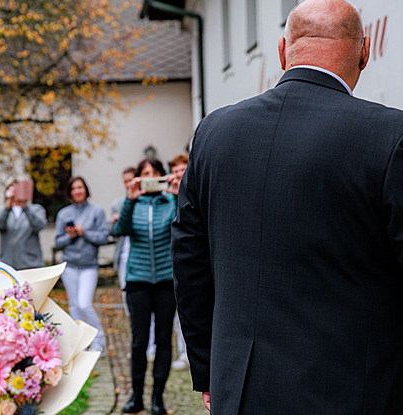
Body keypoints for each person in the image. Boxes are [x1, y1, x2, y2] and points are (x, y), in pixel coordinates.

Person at [172, 0, 403, 413]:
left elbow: (190, 263)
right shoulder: (389, 135)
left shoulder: (214, 132)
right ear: (364, 52)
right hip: (356, 388)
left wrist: (209, 370)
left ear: (282, 51)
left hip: (240, 390)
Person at [112, 158, 179, 415]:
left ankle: (157, 398)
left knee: (163, 340)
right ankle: (136, 396)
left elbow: (181, 228)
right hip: (138, 281)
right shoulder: (133, 203)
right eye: (145, 173)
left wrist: (175, 196)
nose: (150, 177)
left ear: (163, 176)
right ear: (138, 178)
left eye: (155, 173)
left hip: (165, 281)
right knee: (139, 341)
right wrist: (130, 198)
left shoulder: (170, 202)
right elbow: (120, 229)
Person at [55, 176, 110, 352]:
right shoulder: (63, 214)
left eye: (80, 187)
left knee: (84, 304)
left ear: (86, 190)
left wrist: (84, 233)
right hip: (69, 266)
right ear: (70, 192)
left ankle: (98, 340)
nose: (78, 191)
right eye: (74, 188)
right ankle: (79, 342)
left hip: (89, 266)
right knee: (74, 306)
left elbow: (103, 237)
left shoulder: (97, 212)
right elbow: (57, 242)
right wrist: (70, 236)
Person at [166, 154, 189, 371]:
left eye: (183, 170)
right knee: (177, 315)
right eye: (176, 171)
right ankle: (184, 353)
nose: (179, 175)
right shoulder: (166, 198)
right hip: (174, 263)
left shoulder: (196, 191)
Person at [0, 179, 47, 270]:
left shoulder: (35, 209)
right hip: (8, 265)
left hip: (31, 265)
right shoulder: (2, 211)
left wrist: (25, 207)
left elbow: (39, 225)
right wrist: (8, 205)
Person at [109, 166, 136, 313]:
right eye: (125, 181)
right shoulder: (117, 204)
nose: (128, 184)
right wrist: (116, 222)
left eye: (130, 180)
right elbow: (113, 232)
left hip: (140, 253)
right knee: (127, 294)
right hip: (124, 254)